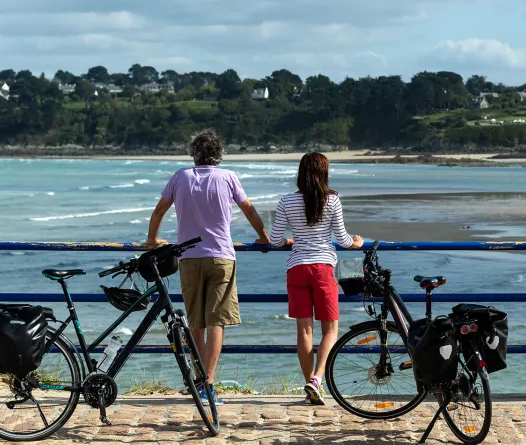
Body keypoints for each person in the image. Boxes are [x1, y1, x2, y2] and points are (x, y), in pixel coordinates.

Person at [145, 128, 270, 405]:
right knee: (217, 322)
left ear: (193, 154)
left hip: (188, 258)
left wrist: (152, 238)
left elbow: (159, 210)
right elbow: (248, 209)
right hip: (221, 257)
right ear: (219, 156)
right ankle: (208, 385)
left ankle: (197, 381)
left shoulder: (180, 177)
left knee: (195, 322)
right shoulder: (228, 177)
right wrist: (263, 237)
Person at [268, 152, 363, 405]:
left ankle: (309, 380)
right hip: (323, 269)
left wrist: (291, 240)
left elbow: (275, 240)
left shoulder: (286, 201)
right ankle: (317, 380)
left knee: (304, 331)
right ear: (324, 173)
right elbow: (342, 240)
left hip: (297, 268)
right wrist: (356, 242)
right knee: (331, 329)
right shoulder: (332, 200)